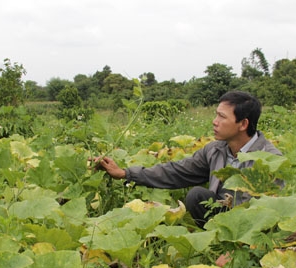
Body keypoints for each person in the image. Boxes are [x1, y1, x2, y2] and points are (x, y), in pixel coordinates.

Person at [95, 91, 282, 228]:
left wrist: (239, 243)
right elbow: (176, 172)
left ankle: (230, 248)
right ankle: (213, 241)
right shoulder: (215, 149)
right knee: (197, 196)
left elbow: (265, 214)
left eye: (222, 117)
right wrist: (125, 173)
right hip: (222, 217)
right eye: (216, 114)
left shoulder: (269, 160)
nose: (214, 121)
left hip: (255, 227)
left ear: (243, 124)